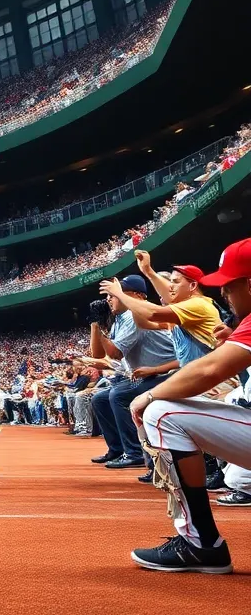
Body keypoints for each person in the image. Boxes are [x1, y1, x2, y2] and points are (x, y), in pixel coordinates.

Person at [128, 238, 251, 573]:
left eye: (230, 285)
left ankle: (200, 542)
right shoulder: (240, 322)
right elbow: (152, 317)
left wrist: (148, 395)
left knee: (160, 411)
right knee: (239, 480)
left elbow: (210, 370)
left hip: (215, 388)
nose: (224, 293)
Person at [89, 276, 175, 470]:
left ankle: (134, 452)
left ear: (137, 296)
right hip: (146, 375)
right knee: (99, 399)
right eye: (110, 295)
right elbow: (98, 354)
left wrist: (102, 329)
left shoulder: (133, 316)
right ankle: (118, 448)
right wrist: (96, 323)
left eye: (117, 294)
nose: (110, 299)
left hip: (165, 374)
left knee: (118, 395)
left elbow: (115, 354)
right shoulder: (121, 318)